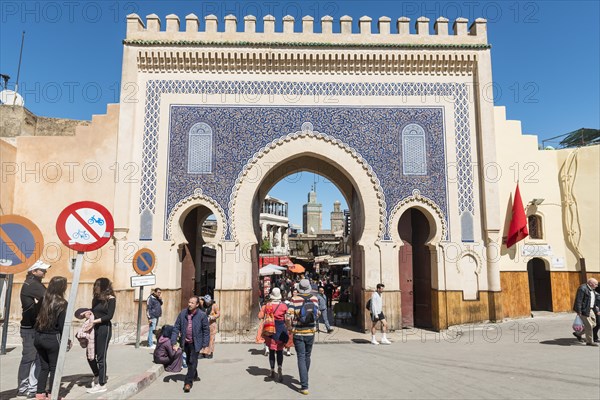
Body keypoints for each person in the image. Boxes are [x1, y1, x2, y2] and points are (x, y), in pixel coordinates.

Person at [18, 260, 50, 399]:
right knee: (35, 358)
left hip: (29, 326)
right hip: (32, 327)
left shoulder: (31, 282)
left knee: (28, 358)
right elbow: (50, 298)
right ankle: (31, 388)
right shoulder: (33, 284)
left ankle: (24, 387)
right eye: (42, 270)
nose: (45, 272)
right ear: (33, 271)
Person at [33, 276, 69, 400]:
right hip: (52, 338)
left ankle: (39, 393)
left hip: (38, 336)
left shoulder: (43, 299)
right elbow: (63, 324)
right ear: (61, 287)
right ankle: (52, 394)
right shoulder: (62, 303)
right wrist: (67, 340)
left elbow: (35, 316)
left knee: (44, 367)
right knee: (54, 367)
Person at [171, 296, 210, 393]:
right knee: (189, 361)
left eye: (192, 303)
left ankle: (188, 383)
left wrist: (205, 344)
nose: (189, 304)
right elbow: (176, 327)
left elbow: (206, 330)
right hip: (185, 342)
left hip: (196, 343)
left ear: (197, 305)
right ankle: (195, 375)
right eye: (189, 302)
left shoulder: (202, 315)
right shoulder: (183, 313)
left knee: (192, 361)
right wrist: (173, 341)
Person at [287, 279, 319, 395]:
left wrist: (290, 328)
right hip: (311, 331)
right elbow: (317, 313)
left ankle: (304, 385)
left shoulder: (295, 299)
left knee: (301, 356)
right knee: (307, 355)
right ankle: (304, 377)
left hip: (299, 332)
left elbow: (288, 316)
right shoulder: (314, 298)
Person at [87, 278, 116, 393]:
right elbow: (94, 311)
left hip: (104, 328)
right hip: (94, 328)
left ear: (104, 287)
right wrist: (87, 312)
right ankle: (97, 375)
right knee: (90, 355)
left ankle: (102, 384)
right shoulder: (96, 299)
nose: (95, 287)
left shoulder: (111, 299)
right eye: (95, 285)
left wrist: (94, 321)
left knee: (101, 356)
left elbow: (109, 316)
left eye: (98, 285)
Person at [258, 288, 288, 382]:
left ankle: (271, 370)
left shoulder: (267, 305)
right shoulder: (284, 306)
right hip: (280, 329)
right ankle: (279, 367)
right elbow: (287, 319)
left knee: (271, 351)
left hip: (270, 329)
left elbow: (260, 316)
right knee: (279, 351)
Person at [573, 278, 599, 346]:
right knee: (589, 326)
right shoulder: (582, 288)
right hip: (584, 309)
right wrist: (579, 311)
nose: (597, 286)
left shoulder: (591, 289)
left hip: (590, 309)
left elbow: (593, 300)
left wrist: (596, 310)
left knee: (594, 324)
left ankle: (578, 334)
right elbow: (579, 300)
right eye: (596, 284)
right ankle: (589, 341)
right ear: (590, 283)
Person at [200, 294, 220, 359]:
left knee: (211, 339)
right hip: (203, 324)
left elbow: (218, 314)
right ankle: (202, 352)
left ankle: (210, 352)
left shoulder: (214, 305)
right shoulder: (202, 303)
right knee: (202, 337)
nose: (208, 304)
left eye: (209, 303)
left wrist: (212, 317)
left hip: (211, 324)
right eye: (206, 303)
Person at [283, 289, 298, 356]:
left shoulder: (299, 300)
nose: (295, 293)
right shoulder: (289, 302)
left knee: (291, 335)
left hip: (294, 319)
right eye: (294, 292)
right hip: (289, 319)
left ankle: (289, 348)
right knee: (289, 334)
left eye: (296, 292)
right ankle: (286, 348)